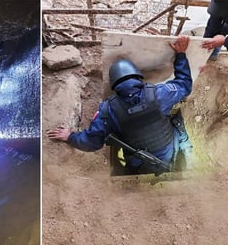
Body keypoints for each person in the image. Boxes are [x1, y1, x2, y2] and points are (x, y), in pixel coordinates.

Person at [47, 36, 194, 175]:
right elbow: (185, 84)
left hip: (139, 163)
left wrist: (70, 136)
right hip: (170, 152)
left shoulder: (108, 110)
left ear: (114, 85)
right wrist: (180, 55)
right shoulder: (159, 94)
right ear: (138, 76)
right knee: (177, 125)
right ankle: (185, 154)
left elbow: (92, 142)